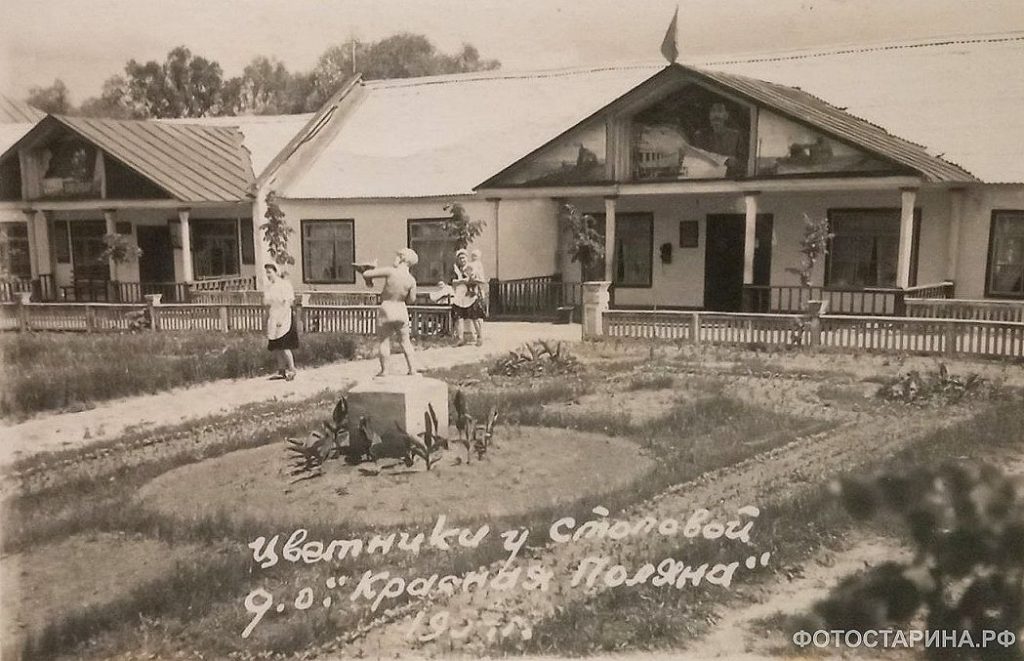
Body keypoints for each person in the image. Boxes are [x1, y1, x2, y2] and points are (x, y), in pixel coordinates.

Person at [359, 248, 420, 376]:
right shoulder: (411, 280)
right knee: (405, 341)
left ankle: (385, 370)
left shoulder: (390, 271)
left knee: (384, 341)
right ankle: (412, 369)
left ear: (402, 258)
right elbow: (411, 299)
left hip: (387, 307)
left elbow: (366, 274)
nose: (395, 258)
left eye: (397, 256)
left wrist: (370, 268)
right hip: (401, 308)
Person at [694, 102, 747, 177]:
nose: (716, 115)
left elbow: (743, 163)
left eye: (720, 111)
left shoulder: (735, 136)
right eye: (713, 111)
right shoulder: (700, 136)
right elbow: (696, 159)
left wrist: (734, 162)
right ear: (709, 115)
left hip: (729, 178)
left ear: (726, 115)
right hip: (706, 177)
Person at [263, 263, 297, 381]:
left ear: (276, 272)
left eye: (270, 272)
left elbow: (288, 303)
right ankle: (281, 370)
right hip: (273, 315)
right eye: (266, 272)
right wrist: (268, 318)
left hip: (284, 316)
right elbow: (268, 303)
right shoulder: (268, 287)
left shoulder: (284, 284)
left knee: (284, 345)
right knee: (275, 345)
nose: (268, 275)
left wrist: (281, 319)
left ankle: (292, 369)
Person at [451, 248, 486, 346]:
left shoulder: (471, 267)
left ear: (467, 258)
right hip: (459, 296)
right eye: (460, 258)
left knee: (475, 317)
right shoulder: (455, 269)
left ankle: (479, 337)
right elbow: (452, 282)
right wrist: (462, 281)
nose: (462, 260)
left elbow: (477, 280)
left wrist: (470, 281)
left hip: (470, 296)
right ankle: (460, 338)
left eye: (464, 258)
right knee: (458, 317)